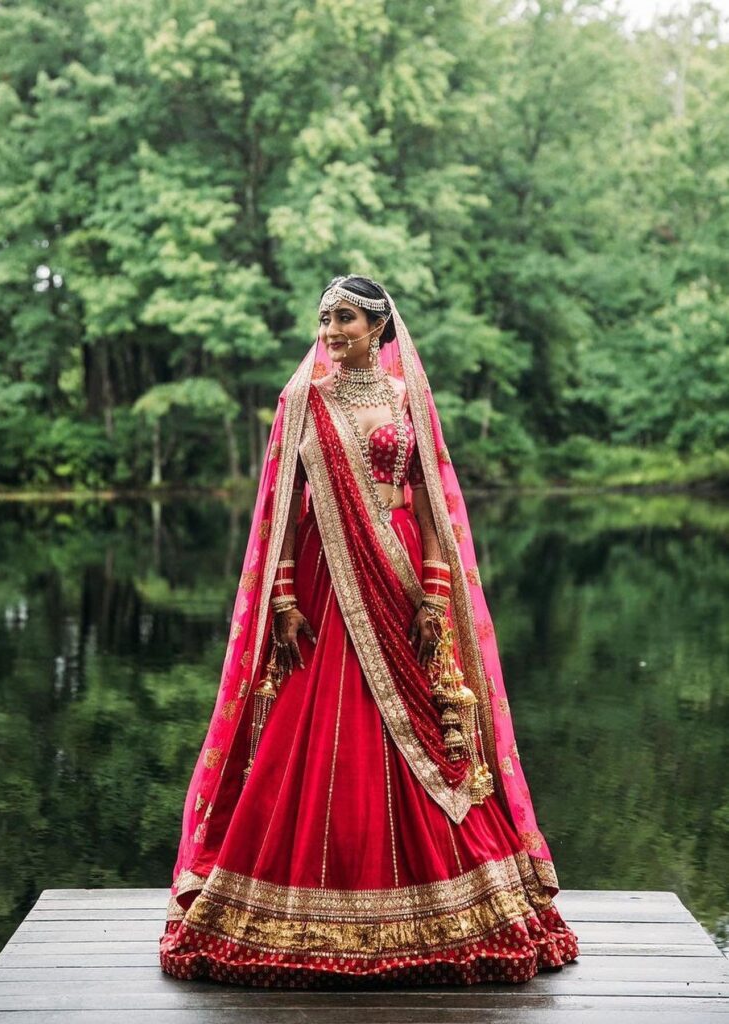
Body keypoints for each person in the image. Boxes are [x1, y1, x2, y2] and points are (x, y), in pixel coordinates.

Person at [158, 275, 580, 986]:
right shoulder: (301, 402)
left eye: (345, 319)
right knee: (317, 721)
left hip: (402, 570)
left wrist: (434, 594)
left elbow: (432, 499)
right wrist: (285, 598)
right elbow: (281, 510)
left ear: (380, 328)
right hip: (327, 583)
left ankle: (455, 901)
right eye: (324, 319)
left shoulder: (407, 396)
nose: (330, 331)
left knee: (427, 725)